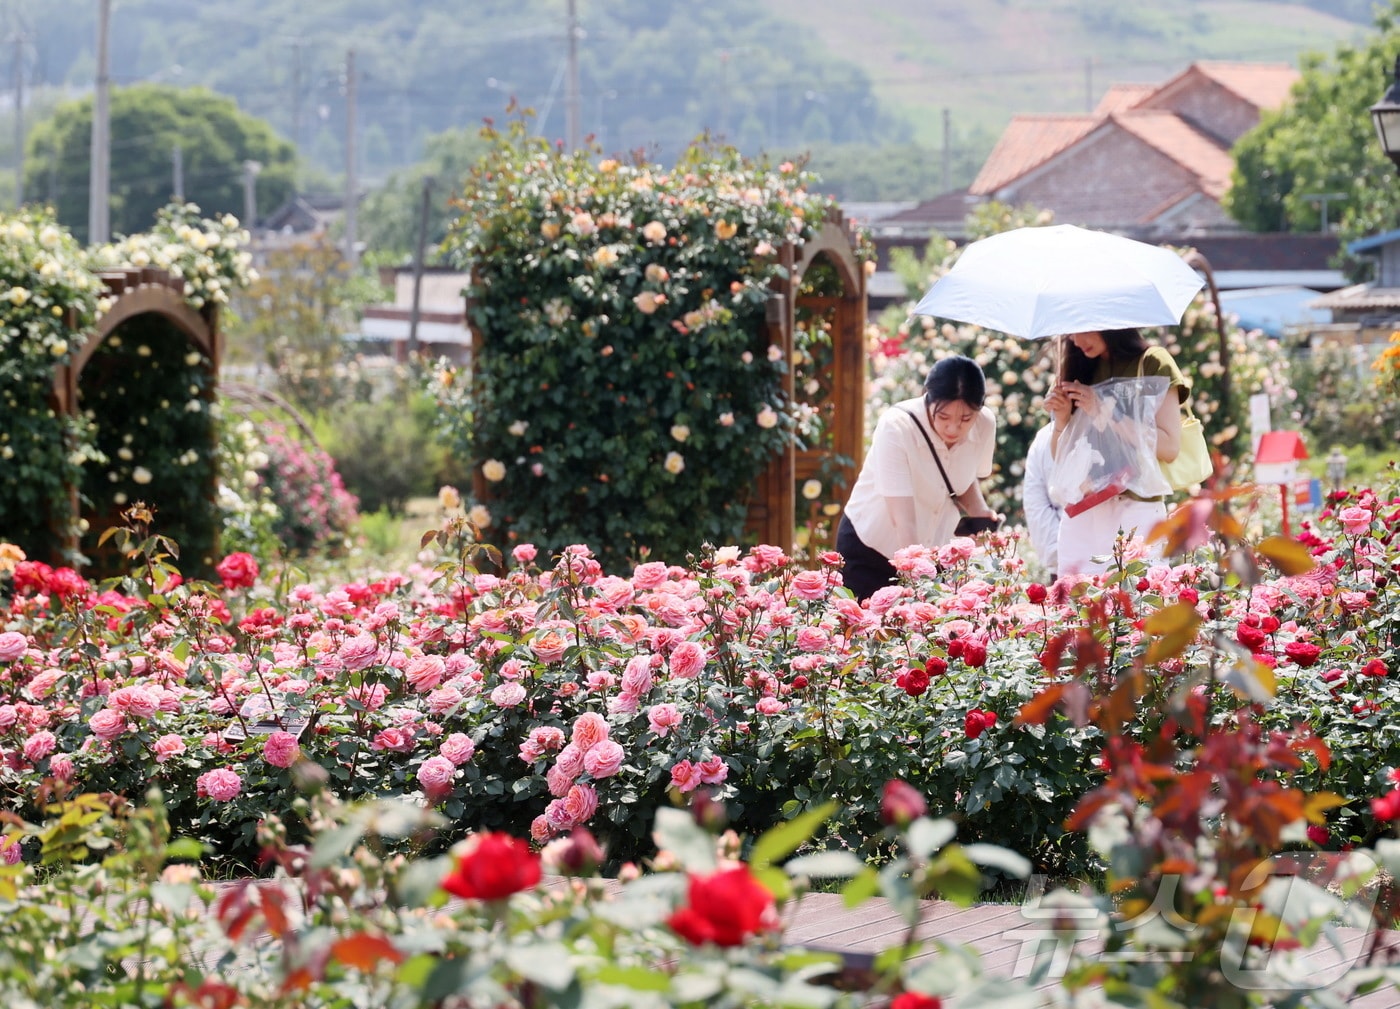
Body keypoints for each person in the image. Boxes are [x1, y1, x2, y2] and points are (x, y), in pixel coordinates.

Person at [837, 355, 998, 601]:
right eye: (943, 417)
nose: (953, 428)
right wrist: (921, 589)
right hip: (873, 547)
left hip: (934, 552)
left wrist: (981, 516)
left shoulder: (985, 423)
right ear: (927, 398)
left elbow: (963, 478)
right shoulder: (897, 426)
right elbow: (903, 522)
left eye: (966, 419)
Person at [1043, 328, 1188, 576]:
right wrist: (1061, 420)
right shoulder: (1078, 367)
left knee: (1140, 603)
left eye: (1083, 330)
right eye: (1070, 335)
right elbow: (1062, 460)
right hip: (1083, 512)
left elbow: (1169, 447)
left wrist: (1105, 410)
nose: (1077, 342)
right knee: (1078, 607)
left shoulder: (1152, 362)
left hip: (1136, 509)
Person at [1021, 422, 1061, 576]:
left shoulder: (1113, 428)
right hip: (1063, 560)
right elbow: (1036, 504)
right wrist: (1057, 553)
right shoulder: (1044, 438)